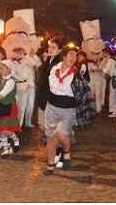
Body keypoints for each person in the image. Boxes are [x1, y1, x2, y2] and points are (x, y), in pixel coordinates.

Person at [41, 47, 83, 176]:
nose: (73, 58)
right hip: (52, 107)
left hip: (68, 109)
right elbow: (52, 86)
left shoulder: (76, 74)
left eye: (75, 56)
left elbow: (76, 92)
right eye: (71, 55)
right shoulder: (54, 69)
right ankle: (51, 164)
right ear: (64, 56)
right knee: (51, 137)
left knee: (62, 134)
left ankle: (67, 151)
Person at [36, 40, 62, 135]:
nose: (50, 49)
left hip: (51, 96)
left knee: (50, 122)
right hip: (43, 94)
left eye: (53, 47)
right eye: (49, 47)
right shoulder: (47, 61)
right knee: (41, 122)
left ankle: (54, 141)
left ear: (59, 50)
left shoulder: (59, 63)